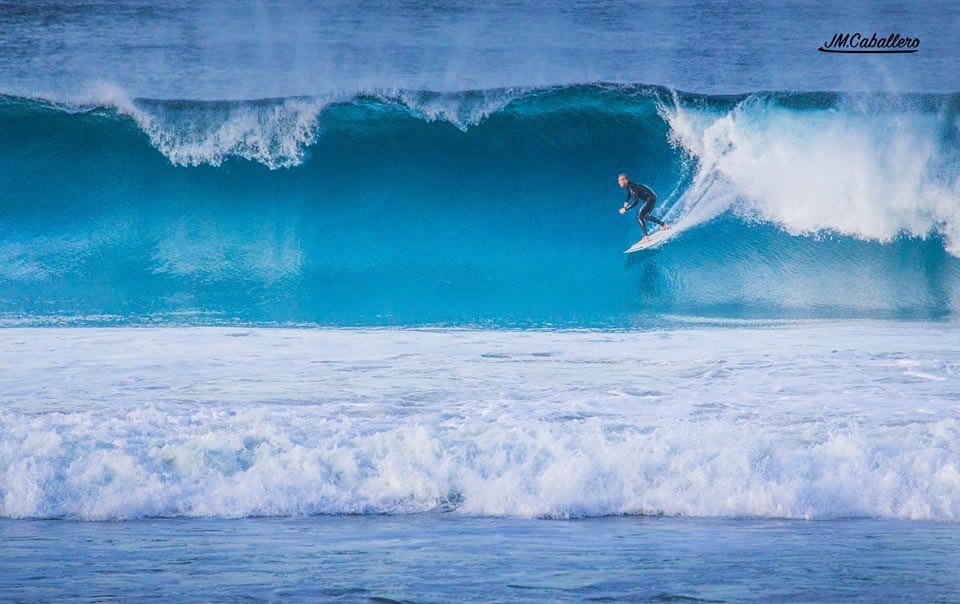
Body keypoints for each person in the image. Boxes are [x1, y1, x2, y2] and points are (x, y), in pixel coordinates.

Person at [617, 173, 670, 243]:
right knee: (646, 216)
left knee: (639, 217)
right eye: (619, 181)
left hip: (650, 199)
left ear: (625, 180)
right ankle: (664, 225)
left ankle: (646, 237)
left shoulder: (631, 187)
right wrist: (626, 201)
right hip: (651, 197)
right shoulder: (630, 185)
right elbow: (629, 193)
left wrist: (625, 209)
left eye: (620, 181)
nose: (619, 183)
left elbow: (636, 202)